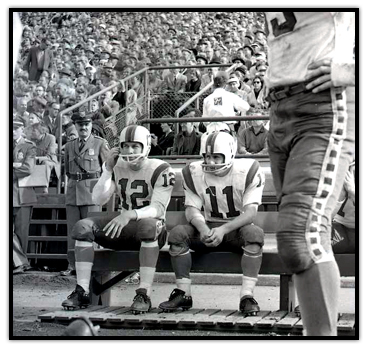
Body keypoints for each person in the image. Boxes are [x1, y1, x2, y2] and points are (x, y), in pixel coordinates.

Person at [264, 12, 355, 336]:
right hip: (279, 109)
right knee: (307, 240)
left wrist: (353, 70)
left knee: (299, 236)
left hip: (322, 105)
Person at [61, 125, 175, 314]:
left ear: (146, 146)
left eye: (135, 146)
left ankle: (143, 293)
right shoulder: (118, 166)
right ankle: (82, 290)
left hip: (153, 229)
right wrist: (107, 169)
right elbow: (97, 199)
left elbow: (158, 208)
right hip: (125, 228)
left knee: (147, 227)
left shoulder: (160, 168)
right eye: (126, 146)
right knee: (82, 228)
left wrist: (130, 214)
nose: (129, 151)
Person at [159, 131, 265, 314]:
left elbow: (250, 213)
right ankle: (183, 293)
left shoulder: (248, 170)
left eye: (216, 157)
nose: (211, 162)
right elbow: (192, 209)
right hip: (207, 228)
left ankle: (247, 295)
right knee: (177, 234)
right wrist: (203, 228)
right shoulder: (194, 172)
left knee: (255, 235)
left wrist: (223, 229)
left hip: (235, 230)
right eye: (207, 157)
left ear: (230, 153)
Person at [60, 113, 110, 276]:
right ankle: (72, 265)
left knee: (92, 229)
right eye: (80, 125)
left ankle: (93, 264)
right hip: (73, 191)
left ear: (90, 126)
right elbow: (67, 170)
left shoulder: (100, 144)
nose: (83, 128)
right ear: (76, 126)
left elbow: (108, 168)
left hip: (91, 192)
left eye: (86, 125)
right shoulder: (69, 146)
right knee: (73, 230)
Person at [13, 119, 37, 274]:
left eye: (16, 128)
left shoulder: (29, 146)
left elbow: (28, 169)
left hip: (22, 194)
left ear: (22, 129)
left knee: (22, 232)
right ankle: (21, 262)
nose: (12, 130)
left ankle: (21, 263)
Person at [331, 160, 355, 253]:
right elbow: (325, 218)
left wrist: (353, 193)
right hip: (340, 226)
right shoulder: (342, 171)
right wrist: (339, 198)